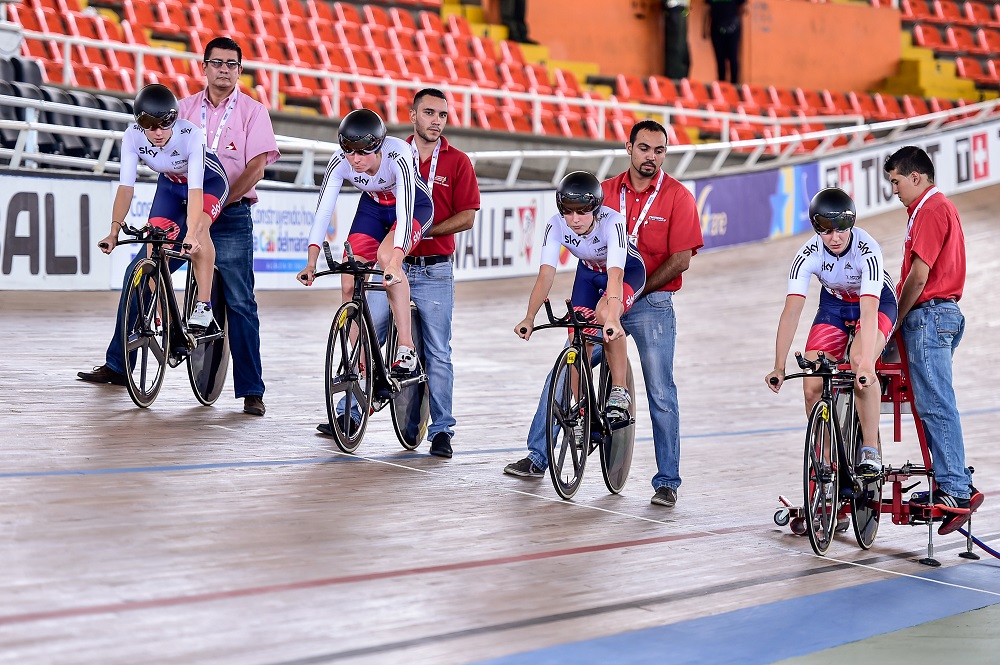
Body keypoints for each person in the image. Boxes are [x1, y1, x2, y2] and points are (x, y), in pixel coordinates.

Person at [504, 120, 703, 508]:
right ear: (628, 147)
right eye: (644, 148)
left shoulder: (678, 196)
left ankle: (667, 481)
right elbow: (570, 258)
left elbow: (681, 260)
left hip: (651, 298)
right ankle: (537, 456)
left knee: (661, 390)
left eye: (659, 151)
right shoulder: (602, 192)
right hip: (601, 288)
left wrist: (631, 295)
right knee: (568, 362)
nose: (651, 157)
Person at [79, 37, 280, 418]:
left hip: (230, 210)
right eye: (216, 63)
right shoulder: (179, 108)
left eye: (231, 64)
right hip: (181, 199)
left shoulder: (254, 111)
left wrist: (220, 206)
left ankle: (251, 389)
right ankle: (119, 365)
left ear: (240, 70)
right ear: (203, 67)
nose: (223, 69)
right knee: (138, 270)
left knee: (240, 300)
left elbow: (256, 167)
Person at [315, 89, 481, 459]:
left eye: (442, 114)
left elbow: (468, 217)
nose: (436, 120)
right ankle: (349, 412)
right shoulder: (386, 152)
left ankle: (442, 430)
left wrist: (419, 230)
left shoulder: (458, 161)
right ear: (413, 115)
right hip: (391, 266)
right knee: (364, 331)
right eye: (428, 113)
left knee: (438, 352)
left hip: (433, 268)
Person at [883, 146, 984, 535]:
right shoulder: (931, 209)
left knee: (935, 403)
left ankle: (955, 488)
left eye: (896, 181)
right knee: (933, 402)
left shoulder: (930, 210)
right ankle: (952, 479)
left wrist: (895, 319)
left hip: (929, 315)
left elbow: (919, 277)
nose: (893, 189)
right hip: (941, 314)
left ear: (916, 177)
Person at [764, 188, 898, 479]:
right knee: (812, 381)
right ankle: (824, 460)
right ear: (815, 227)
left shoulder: (868, 249)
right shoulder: (807, 255)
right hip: (834, 305)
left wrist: (864, 365)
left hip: (874, 302)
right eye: (826, 230)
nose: (835, 238)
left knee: (860, 360)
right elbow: (791, 311)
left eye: (842, 230)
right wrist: (779, 365)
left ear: (852, 225)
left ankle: (870, 449)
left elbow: (869, 310)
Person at [298, 108, 434, 389]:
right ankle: (358, 358)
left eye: (362, 153)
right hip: (373, 208)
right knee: (349, 276)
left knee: (386, 258)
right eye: (349, 151)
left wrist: (396, 261)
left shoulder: (399, 154)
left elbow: (405, 211)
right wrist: (311, 262)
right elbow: (323, 211)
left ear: (378, 147)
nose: (355, 160)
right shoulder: (340, 161)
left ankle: (406, 349)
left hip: (413, 206)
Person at [514, 171, 646, 422]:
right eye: (568, 211)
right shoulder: (556, 224)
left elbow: (616, 275)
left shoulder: (613, 221)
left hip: (626, 271)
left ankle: (619, 390)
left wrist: (613, 318)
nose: (574, 220)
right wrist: (529, 318)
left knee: (605, 314)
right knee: (577, 336)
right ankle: (585, 413)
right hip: (588, 273)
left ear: (596, 209)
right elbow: (545, 276)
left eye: (582, 212)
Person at [703, 0, 745, 84]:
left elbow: (742, 8)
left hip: (733, 27)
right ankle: (721, 86)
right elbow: (707, 9)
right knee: (720, 59)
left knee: (733, 58)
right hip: (716, 28)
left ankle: (734, 85)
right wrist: (704, 27)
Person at [663, 0, 691, 80]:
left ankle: (680, 81)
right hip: (674, 8)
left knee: (683, 54)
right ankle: (674, 82)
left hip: (683, 9)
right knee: (676, 49)